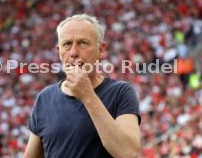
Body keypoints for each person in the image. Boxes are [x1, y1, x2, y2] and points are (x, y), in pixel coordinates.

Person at [24, 14, 141, 158]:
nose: (73, 52)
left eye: (83, 43)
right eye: (67, 44)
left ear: (101, 49)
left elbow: (128, 153)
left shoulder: (121, 92)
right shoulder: (45, 98)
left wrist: (88, 96)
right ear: (59, 50)